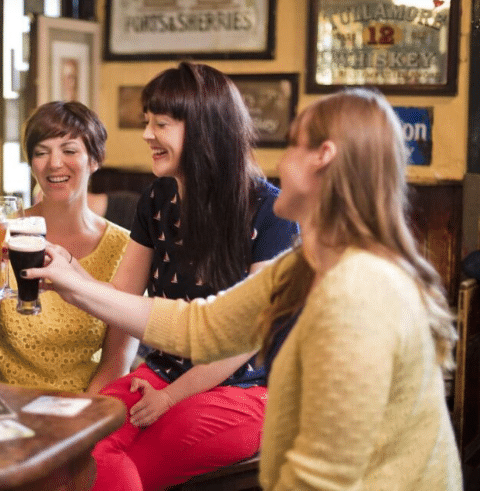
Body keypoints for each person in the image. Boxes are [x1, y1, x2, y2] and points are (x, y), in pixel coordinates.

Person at [26, 88, 462, 490]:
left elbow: (324, 477)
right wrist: (76, 281)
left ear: (323, 158)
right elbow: (201, 327)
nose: (277, 163)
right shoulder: (301, 265)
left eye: (292, 145)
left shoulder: (359, 292)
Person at [65, 62, 298, 491]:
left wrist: (171, 398)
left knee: (126, 465)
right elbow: (122, 297)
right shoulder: (157, 197)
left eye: (161, 124)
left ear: (205, 129)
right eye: (147, 122)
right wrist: (68, 273)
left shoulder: (272, 212)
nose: (147, 135)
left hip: (249, 388)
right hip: (160, 372)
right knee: (80, 445)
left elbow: (247, 334)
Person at [0, 101, 133, 393]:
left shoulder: (125, 247)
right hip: (0, 404)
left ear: (94, 160)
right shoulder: (0, 231)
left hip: (82, 409)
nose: (54, 163)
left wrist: (80, 423)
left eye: (69, 150)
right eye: (41, 152)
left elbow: (117, 362)